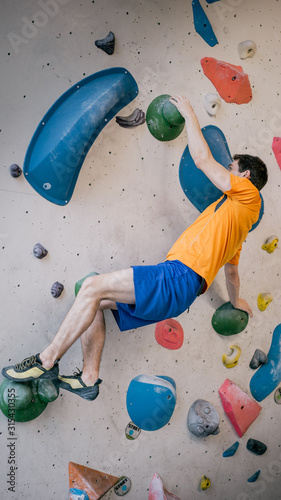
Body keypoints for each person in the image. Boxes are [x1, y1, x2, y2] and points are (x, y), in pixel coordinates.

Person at [2, 96, 268, 401]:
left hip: (178, 277)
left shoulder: (248, 196)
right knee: (92, 299)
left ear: (244, 176)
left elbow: (203, 160)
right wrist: (237, 301)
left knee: (90, 287)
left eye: (231, 167)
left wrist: (190, 114)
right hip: (180, 289)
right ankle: (89, 378)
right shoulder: (238, 225)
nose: (227, 169)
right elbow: (232, 273)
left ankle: (45, 361)